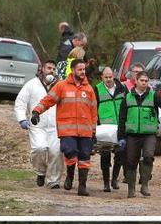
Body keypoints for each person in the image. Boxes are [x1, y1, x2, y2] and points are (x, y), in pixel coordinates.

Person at [30, 59, 98, 196]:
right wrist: (36, 111)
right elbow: (48, 100)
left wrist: (94, 131)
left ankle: (82, 187)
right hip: (68, 130)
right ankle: (70, 174)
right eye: (80, 69)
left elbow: (93, 112)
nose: (83, 72)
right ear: (72, 70)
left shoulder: (89, 89)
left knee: (84, 158)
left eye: (84, 69)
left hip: (85, 132)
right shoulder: (62, 86)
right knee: (70, 151)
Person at [118, 71, 161, 198]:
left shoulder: (153, 96)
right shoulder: (127, 98)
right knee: (131, 161)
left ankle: (145, 185)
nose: (144, 83)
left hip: (149, 134)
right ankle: (131, 189)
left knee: (148, 156)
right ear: (135, 81)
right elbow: (122, 119)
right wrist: (121, 137)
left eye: (146, 81)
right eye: (142, 80)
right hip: (132, 135)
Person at [15, 60, 62, 189]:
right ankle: (40, 172)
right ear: (42, 69)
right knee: (39, 149)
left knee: (56, 152)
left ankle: (54, 180)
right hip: (37, 125)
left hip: (55, 126)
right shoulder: (31, 84)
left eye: (53, 68)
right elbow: (21, 102)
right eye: (49, 68)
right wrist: (22, 119)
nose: (51, 71)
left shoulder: (60, 86)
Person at [94, 67, 126, 192]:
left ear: (114, 76)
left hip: (120, 127)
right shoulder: (97, 89)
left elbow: (128, 102)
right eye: (106, 77)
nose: (108, 79)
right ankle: (106, 182)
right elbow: (93, 107)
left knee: (120, 153)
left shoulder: (122, 88)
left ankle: (115, 179)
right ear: (102, 77)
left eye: (110, 77)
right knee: (105, 155)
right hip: (104, 129)